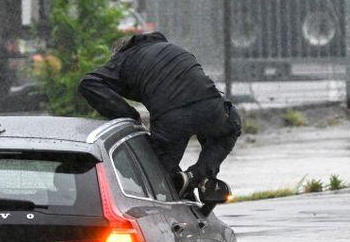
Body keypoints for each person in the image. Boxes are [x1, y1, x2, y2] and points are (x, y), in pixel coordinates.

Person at [78, 32, 241, 197]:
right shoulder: (173, 49)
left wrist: (129, 116)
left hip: (171, 118)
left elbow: (89, 83)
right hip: (210, 105)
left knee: (158, 176)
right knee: (229, 128)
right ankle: (196, 176)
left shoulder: (124, 59)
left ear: (119, 51)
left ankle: (177, 191)